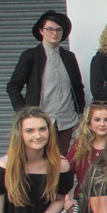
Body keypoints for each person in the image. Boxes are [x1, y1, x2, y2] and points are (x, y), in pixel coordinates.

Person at [6, 10, 85, 154]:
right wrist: (23, 112)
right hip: (39, 120)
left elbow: (78, 87)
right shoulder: (31, 55)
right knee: (38, 161)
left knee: (60, 162)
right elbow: (13, 86)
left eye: (58, 30)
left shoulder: (69, 57)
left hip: (65, 121)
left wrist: (79, 113)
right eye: (49, 29)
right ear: (41, 31)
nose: (54, 33)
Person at [66, 102, 107, 200]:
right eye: (97, 120)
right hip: (83, 200)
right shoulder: (80, 145)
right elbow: (65, 174)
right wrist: (66, 199)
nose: (102, 124)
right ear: (89, 122)